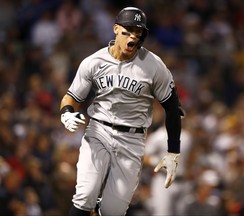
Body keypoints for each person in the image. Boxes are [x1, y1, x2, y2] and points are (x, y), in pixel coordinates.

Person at [59, 7, 183, 216]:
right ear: (116, 29)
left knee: (113, 211)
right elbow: (71, 97)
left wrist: (173, 152)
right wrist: (67, 113)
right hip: (98, 131)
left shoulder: (154, 66)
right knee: (85, 196)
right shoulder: (94, 62)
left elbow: (172, 108)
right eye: (128, 30)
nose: (133, 36)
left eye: (138, 32)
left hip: (132, 140)